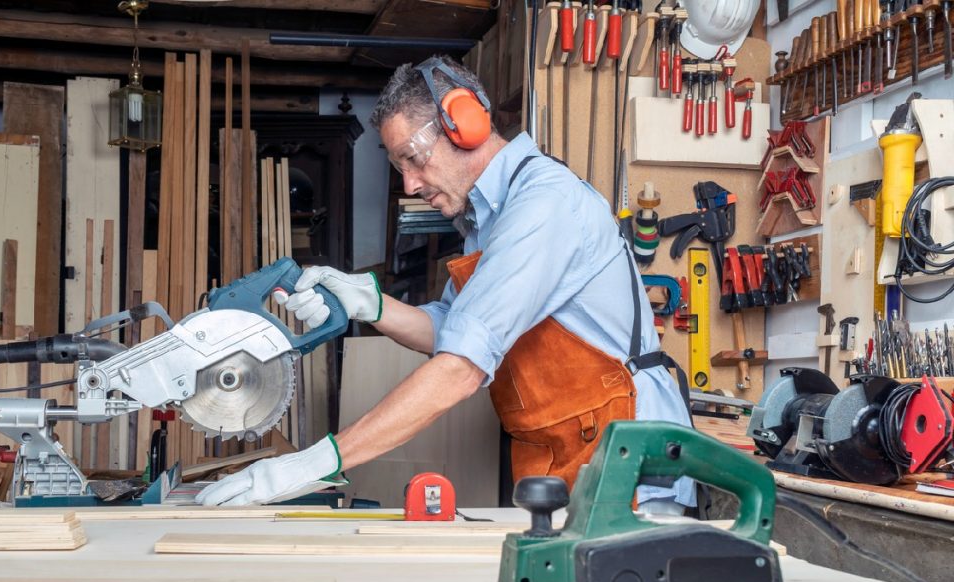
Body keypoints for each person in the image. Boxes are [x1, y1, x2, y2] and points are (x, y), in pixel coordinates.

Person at [196, 55, 695, 513]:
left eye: (413, 157)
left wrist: (310, 464)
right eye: (399, 167)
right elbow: (452, 330)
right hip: (567, 449)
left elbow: (461, 367)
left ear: (467, 124)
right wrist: (369, 304)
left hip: (628, 453)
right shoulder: (485, 220)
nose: (409, 184)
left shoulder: (543, 205)